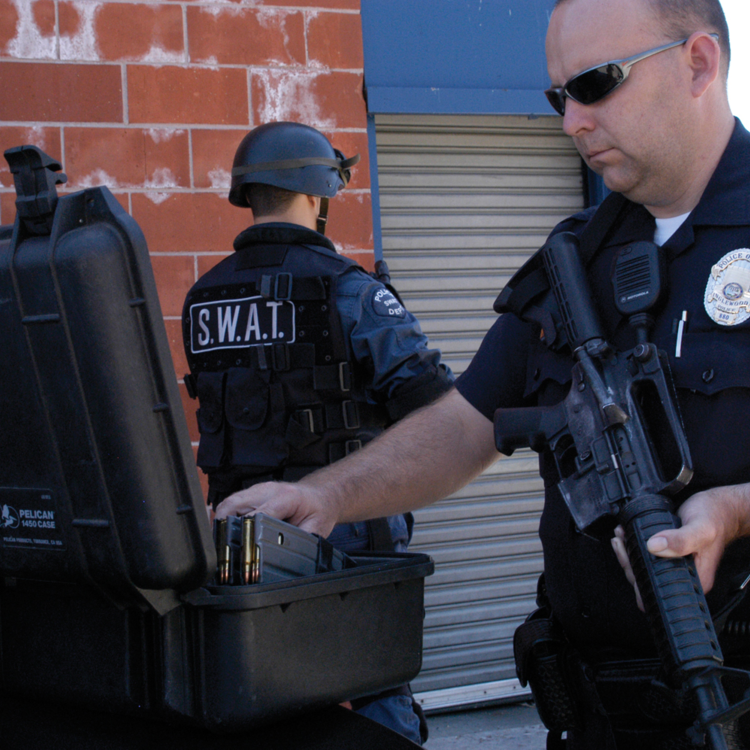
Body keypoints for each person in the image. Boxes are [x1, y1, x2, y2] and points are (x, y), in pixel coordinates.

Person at [215, 1, 750, 747]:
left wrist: (736, 510)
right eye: (559, 97)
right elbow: (466, 424)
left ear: (698, 63)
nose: (572, 123)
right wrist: (325, 495)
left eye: (596, 84)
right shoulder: (578, 259)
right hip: (594, 720)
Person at [182, 121, 453, 745]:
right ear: (317, 192)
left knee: (270, 689)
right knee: (376, 677)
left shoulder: (202, 297)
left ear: (247, 194)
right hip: (345, 528)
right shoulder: (348, 287)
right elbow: (434, 407)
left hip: (242, 536)